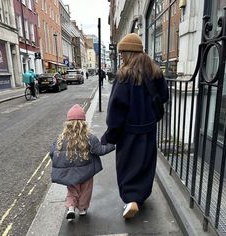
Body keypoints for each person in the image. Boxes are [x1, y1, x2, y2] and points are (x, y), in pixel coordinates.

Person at [101, 33, 169, 219]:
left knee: (128, 164)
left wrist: (111, 134)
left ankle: (131, 200)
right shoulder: (155, 71)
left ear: (128, 53)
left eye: (123, 53)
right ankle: (140, 197)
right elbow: (164, 96)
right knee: (146, 163)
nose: (122, 57)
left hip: (129, 131)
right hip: (149, 128)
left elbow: (116, 109)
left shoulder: (125, 76)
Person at [49, 104, 115, 222]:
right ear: (83, 123)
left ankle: (70, 208)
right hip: (86, 172)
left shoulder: (60, 139)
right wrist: (112, 145)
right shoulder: (89, 138)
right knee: (85, 190)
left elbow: (52, 154)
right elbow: (100, 150)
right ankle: (83, 209)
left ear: (68, 123)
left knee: (72, 191)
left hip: (69, 173)